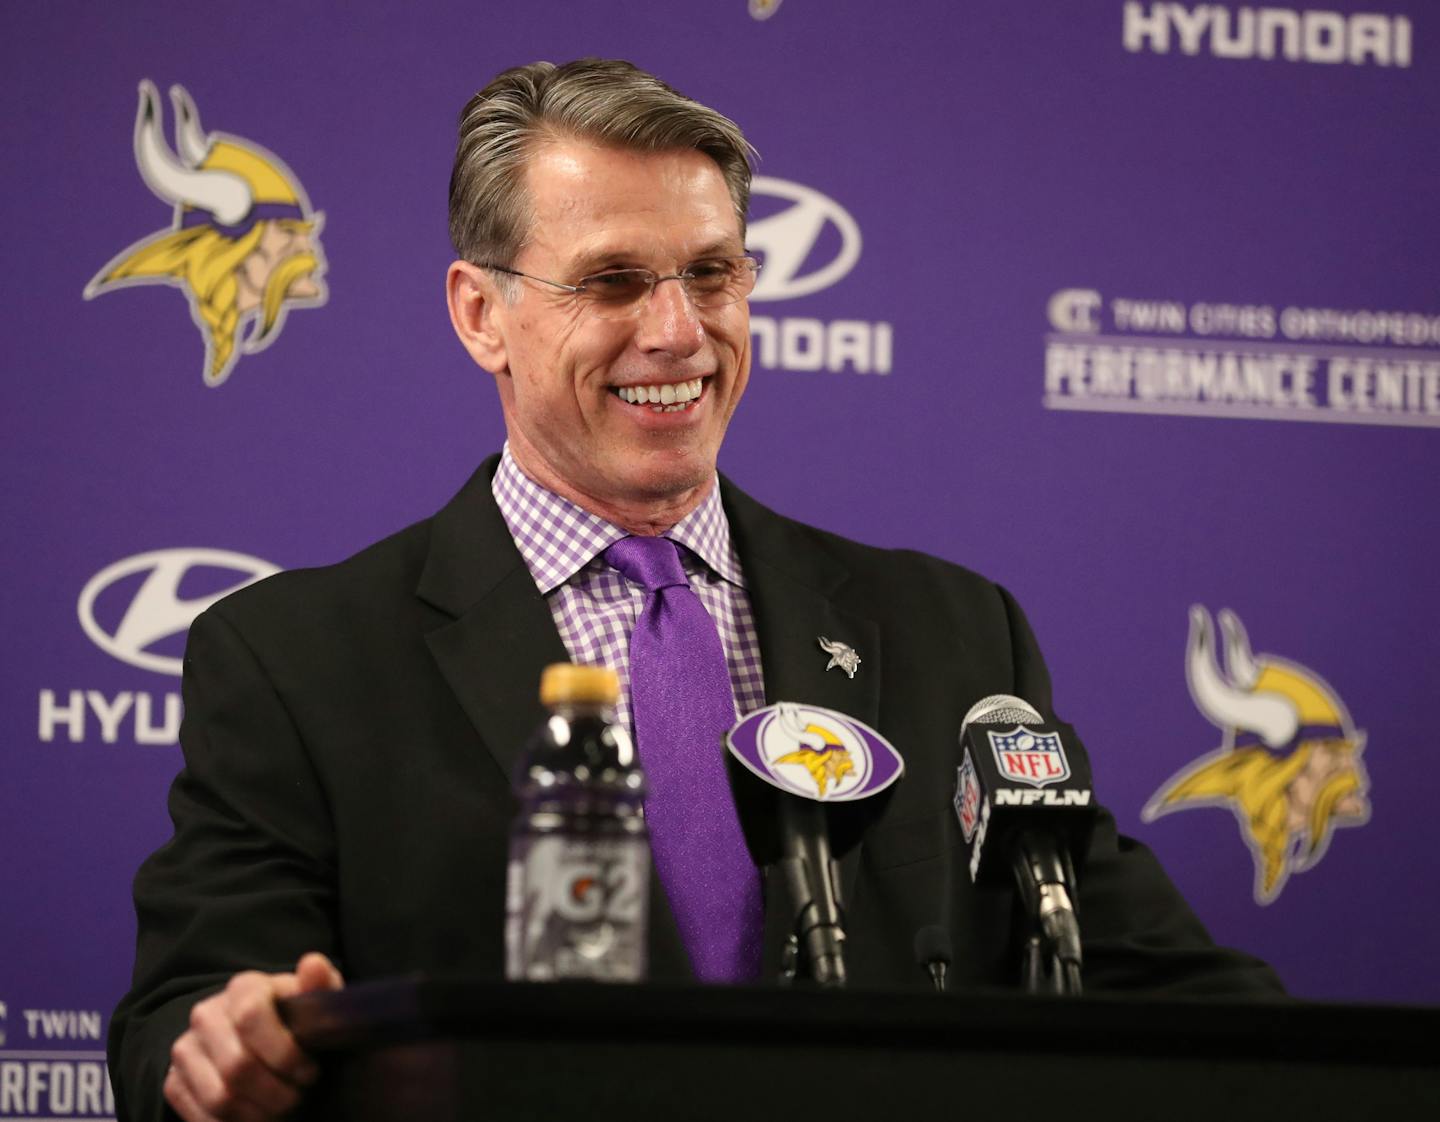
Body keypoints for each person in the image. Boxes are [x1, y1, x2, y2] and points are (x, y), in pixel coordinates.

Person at [109, 58, 1283, 1122]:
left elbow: (1162, 985)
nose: (677, 331)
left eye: (712, 273)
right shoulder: (295, 660)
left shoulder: (956, 634)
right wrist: (221, 1055)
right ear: (483, 315)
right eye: (612, 281)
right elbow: (182, 1022)